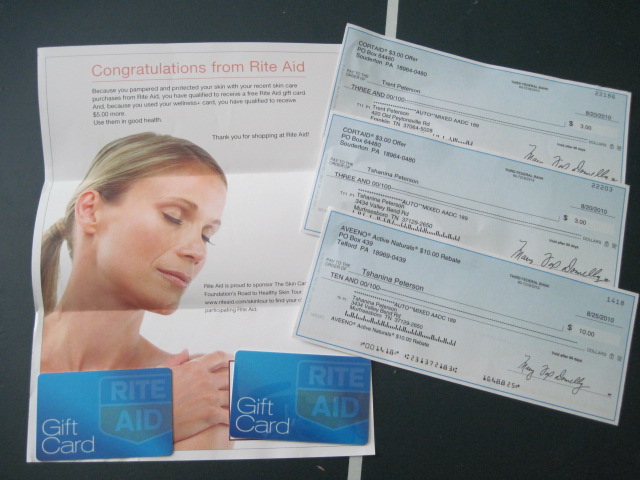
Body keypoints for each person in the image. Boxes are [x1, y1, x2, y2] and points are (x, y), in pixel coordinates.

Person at [39, 132, 232, 450]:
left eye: (206, 235)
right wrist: (142, 417)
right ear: (91, 211)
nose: (197, 252)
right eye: (174, 217)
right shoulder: (15, 355)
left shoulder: (199, 398)